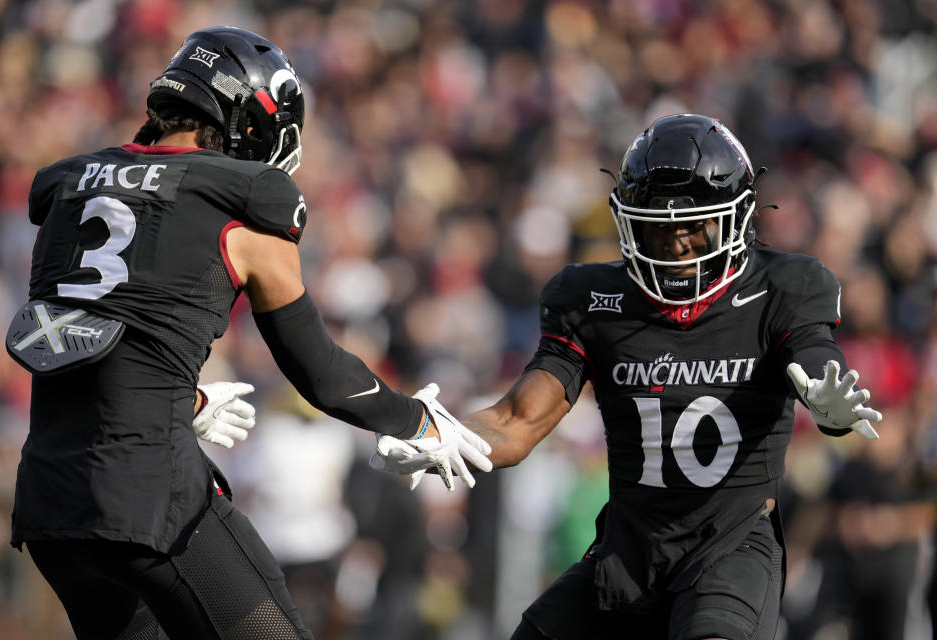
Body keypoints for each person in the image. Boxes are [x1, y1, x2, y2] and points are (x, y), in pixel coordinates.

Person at [5, 26, 490, 640]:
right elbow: (319, 373)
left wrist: (186, 401)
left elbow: (84, 338)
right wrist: (413, 420)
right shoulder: (245, 201)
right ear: (249, 121)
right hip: (149, 492)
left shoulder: (67, 186)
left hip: (50, 496)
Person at [373, 113, 883, 640]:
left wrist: (828, 400)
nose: (677, 245)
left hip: (730, 549)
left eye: (693, 225)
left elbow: (818, 360)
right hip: (628, 550)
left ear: (738, 219)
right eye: (657, 230)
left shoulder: (783, 285)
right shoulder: (592, 299)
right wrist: (447, 432)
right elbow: (519, 419)